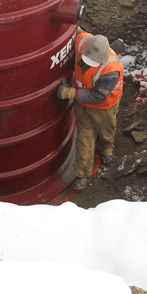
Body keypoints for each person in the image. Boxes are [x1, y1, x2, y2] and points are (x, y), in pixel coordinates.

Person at [57, 30, 124, 190]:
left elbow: (98, 96)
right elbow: (76, 29)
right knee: (84, 138)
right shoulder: (83, 41)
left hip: (103, 107)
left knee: (105, 132)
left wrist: (70, 93)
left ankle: (106, 149)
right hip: (81, 103)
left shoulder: (110, 70)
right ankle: (82, 175)